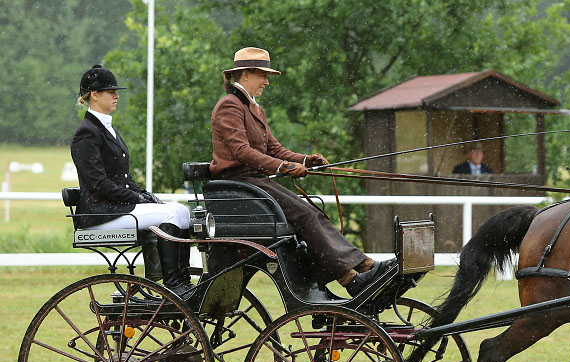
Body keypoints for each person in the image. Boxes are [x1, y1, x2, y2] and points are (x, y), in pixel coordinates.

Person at [210, 47, 393, 295]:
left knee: (313, 212)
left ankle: (362, 265)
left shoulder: (255, 108)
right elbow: (242, 151)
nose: (266, 82)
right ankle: (349, 277)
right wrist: (284, 167)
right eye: (263, 76)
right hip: (238, 184)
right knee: (305, 215)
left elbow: (274, 148)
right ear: (246, 74)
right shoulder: (229, 106)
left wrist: (306, 160)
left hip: (255, 181)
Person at [71, 65, 195, 299]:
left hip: (116, 207)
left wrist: (144, 194)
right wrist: (136, 198)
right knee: (169, 215)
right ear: (94, 95)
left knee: (181, 210)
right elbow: (98, 183)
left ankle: (182, 280)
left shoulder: (107, 128)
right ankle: (172, 284)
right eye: (110, 92)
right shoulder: (87, 132)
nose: (116, 95)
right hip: (100, 213)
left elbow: (122, 179)